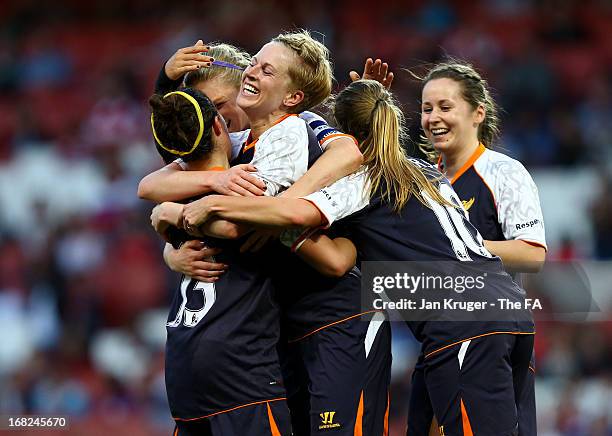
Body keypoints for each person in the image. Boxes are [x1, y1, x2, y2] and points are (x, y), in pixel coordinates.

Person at [180, 79, 537, 436]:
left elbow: (306, 226)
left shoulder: (362, 180)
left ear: (347, 138)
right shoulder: (428, 171)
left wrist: (218, 203)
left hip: (461, 320)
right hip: (507, 303)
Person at [149, 33, 393, 435]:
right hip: (277, 331)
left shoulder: (296, 128)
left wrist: (279, 212)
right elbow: (155, 182)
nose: (214, 119)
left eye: (217, 106)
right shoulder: (235, 156)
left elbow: (350, 154)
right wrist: (169, 240)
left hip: (336, 315)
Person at [148, 87, 292, 435]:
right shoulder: (247, 182)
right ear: (217, 125)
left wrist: (170, 214)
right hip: (239, 363)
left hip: (182, 360)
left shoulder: (173, 190)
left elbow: (150, 189)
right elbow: (231, 227)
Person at [416, 60, 546, 435]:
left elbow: (533, 254)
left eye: (445, 106)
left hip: (488, 335)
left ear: (477, 113)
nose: (433, 118)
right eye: (426, 108)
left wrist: (461, 244)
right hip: (437, 336)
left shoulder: (502, 171)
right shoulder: (424, 181)